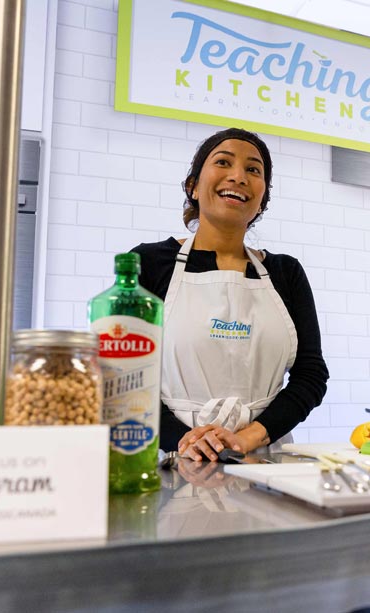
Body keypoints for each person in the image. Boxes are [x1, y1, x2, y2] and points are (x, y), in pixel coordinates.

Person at [130, 127, 329, 460]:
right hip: (170, 455)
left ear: (262, 199)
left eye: (253, 170)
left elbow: (311, 375)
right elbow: (125, 375)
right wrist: (185, 439)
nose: (238, 176)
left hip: (262, 457)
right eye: (223, 162)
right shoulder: (148, 264)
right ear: (192, 186)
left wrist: (248, 438)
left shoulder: (286, 272)